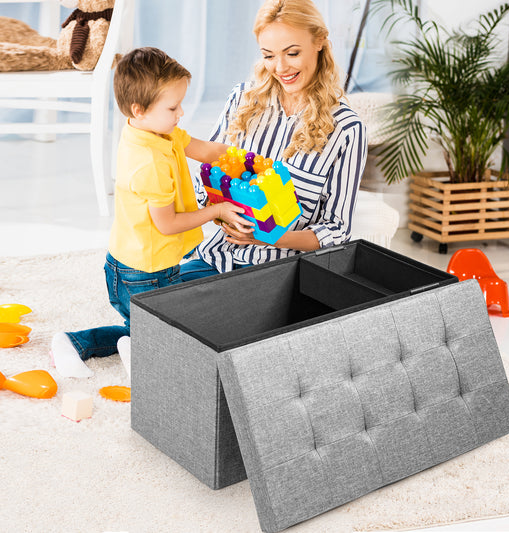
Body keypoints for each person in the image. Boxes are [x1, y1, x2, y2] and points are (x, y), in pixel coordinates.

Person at [51, 47, 253, 378]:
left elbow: (205, 150)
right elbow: (168, 223)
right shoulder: (149, 163)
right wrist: (216, 210)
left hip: (148, 264)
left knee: (163, 321)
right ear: (139, 110)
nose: (181, 112)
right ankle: (123, 348)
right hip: (141, 273)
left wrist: (247, 160)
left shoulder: (157, 131)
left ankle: (102, 342)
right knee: (172, 337)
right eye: (173, 107)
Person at [178, 0, 367, 281]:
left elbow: (337, 230)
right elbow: (203, 187)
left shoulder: (346, 129)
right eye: (268, 55)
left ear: (319, 41)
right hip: (218, 257)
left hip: (279, 275)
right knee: (148, 302)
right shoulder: (242, 100)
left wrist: (268, 237)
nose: (280, 67)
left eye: (292, 53)